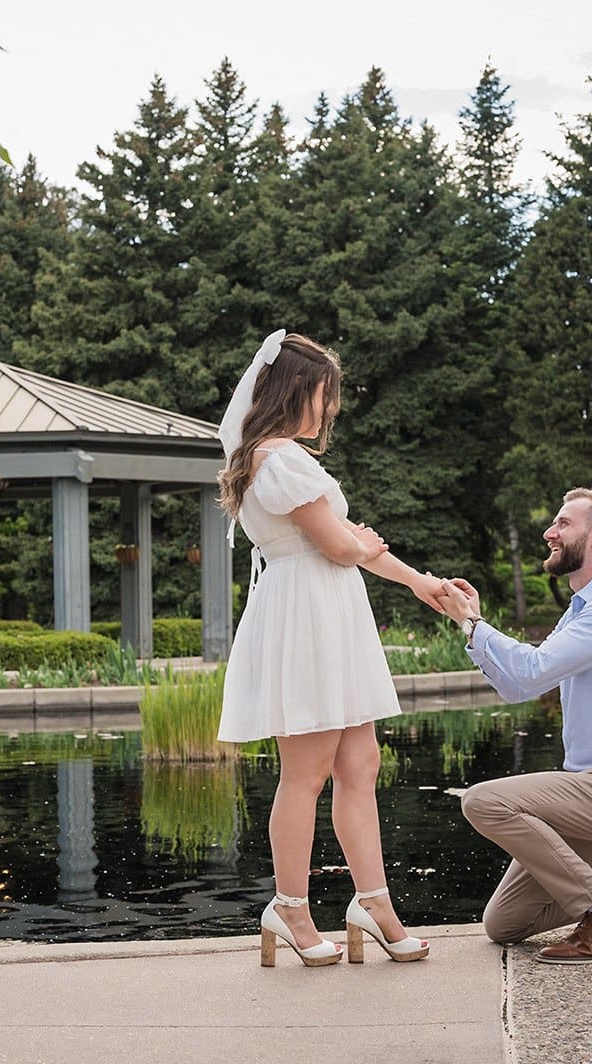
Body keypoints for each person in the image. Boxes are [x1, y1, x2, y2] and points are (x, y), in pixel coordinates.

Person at [216, 329, 444, 968]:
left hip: (326, 609)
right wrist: (361, 543)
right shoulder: (280, 459)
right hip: (308, 615)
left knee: (359, 763)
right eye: (325, 393)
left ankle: (372, 902)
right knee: (307, 771)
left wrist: (421, 583)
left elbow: (352, 548)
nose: (331, 407)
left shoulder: (278, 457)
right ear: (297, 391)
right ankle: (289, 905)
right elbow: (341, 547)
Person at [428, 488, 592, 964]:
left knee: (483, 801)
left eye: (562, 524)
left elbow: (531, 669)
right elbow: (520, 686)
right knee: (506, 923)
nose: (549, 533)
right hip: (587, 791)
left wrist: (475, 625)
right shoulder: (582, 611)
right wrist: (473, 626)